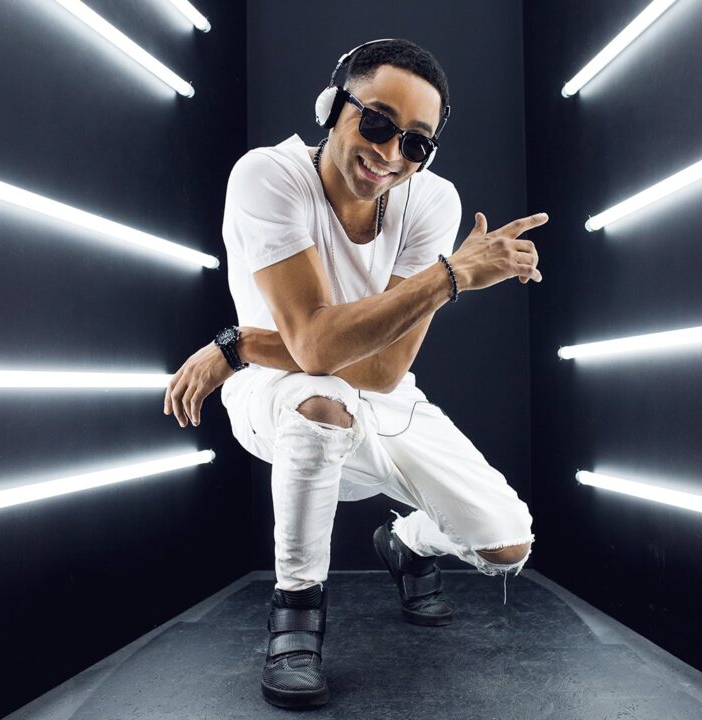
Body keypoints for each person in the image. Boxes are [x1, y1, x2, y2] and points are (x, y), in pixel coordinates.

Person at [163, 38, 546, 710]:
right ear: (331, 107)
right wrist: (451, 277)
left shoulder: (432, 201)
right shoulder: (268, 176)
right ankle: (296, 615)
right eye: (376, 122)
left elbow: (388, 367)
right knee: (321, 400)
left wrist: (241, 342)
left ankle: (405, 542)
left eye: (416, 143)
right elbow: (314, 346)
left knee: (508, 544)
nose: (391, 153)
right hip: (278, 391)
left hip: (379, 394)